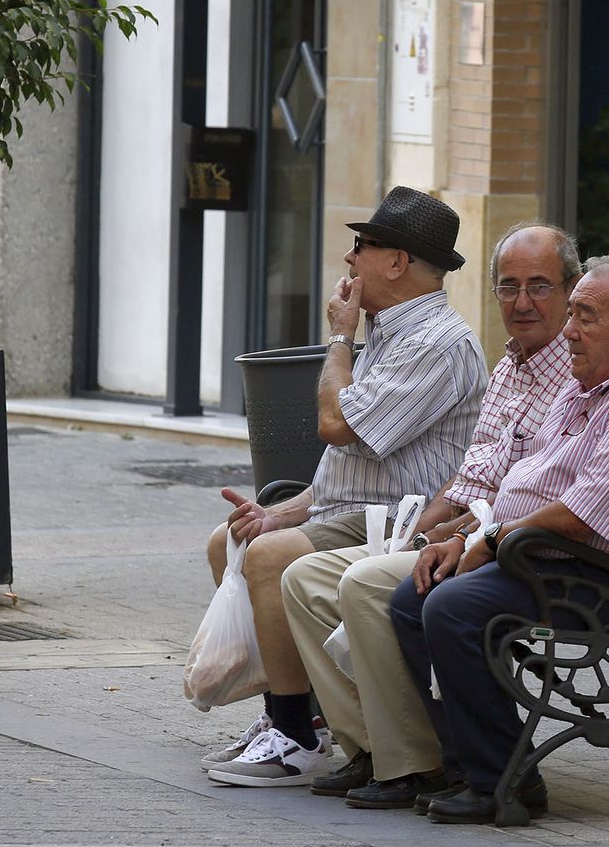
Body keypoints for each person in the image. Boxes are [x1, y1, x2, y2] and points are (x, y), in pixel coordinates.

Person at [390, 255, 609, 824]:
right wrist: (467, 535)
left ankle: (502, 781)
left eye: (584, 317)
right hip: (550, 562)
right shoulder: (590, 386)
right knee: (412, 597)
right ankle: (476, 762)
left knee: (451, 607)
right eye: (572, 316)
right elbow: (527, 487)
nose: (567, 330)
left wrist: (488, 545)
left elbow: (582, 518)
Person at [277, 223, 581, 808]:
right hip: (457, 529)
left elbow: (542, 496)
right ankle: (373, 747)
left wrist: (462, 536)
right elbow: (472, 475)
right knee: (303, 578)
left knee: (362, 582)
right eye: (508, 287)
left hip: (517, 551)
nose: (521, 303)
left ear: (571, 289)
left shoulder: (569, 375)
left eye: (540, 287)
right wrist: (419, 533)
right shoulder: (513, 366)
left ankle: (415, 761)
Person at [201, 186, 489, 787]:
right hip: (360, 508)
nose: (349, 259)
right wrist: (281, 512)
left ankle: (295, 737)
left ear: (396, 262)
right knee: (230, 538)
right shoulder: (389, 330)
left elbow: (336, 426)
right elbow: (349, 468)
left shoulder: (437, 342)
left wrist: (339, 338)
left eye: (362, 245)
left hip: (402, 523)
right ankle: (301, 711)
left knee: (268, 556)